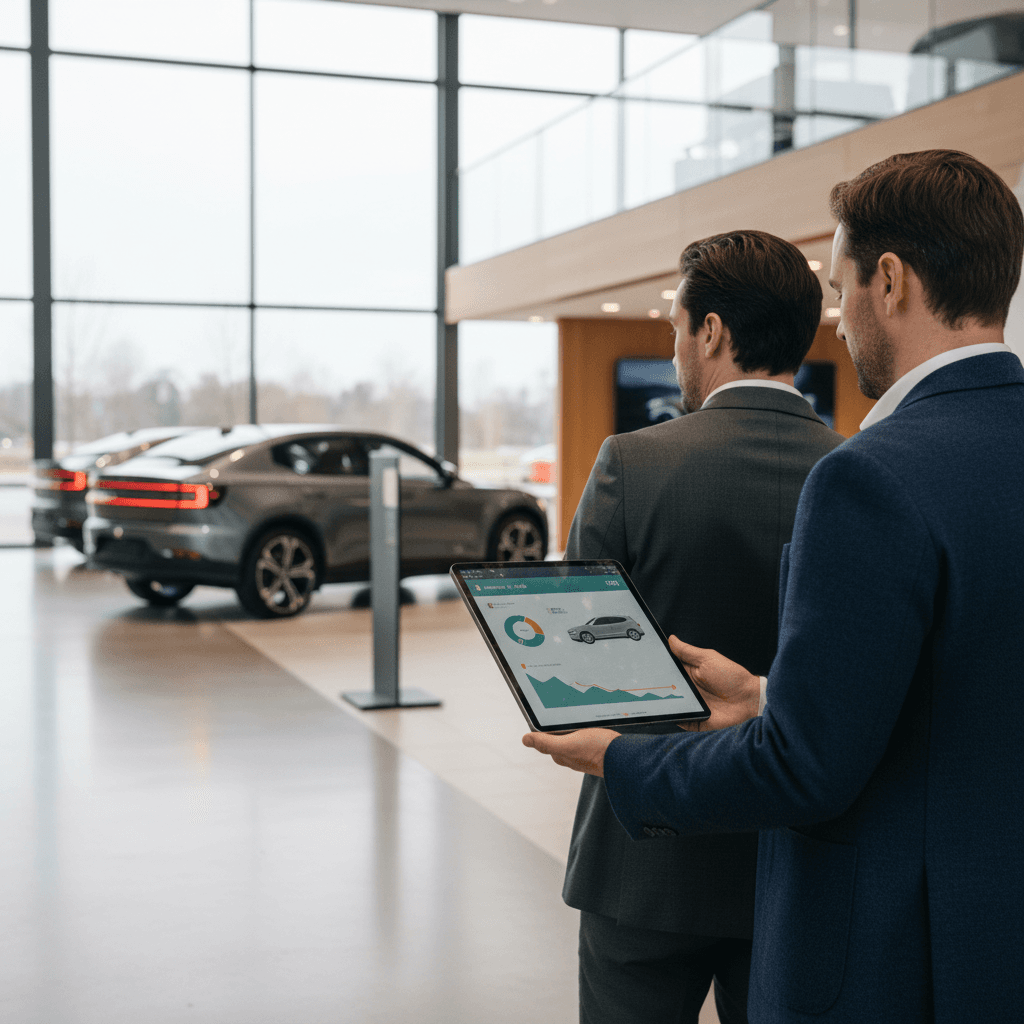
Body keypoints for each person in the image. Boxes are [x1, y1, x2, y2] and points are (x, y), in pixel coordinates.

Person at [525, 150, 1024, 1022]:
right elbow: (957, 694)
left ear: (893, 282)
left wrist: (622, 759)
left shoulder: (873, 477)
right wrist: (765, 695)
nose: (839, 322)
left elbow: (807, 768)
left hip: (886, 948)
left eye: (844, 288)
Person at [562, 229, 843, 1024]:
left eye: (677, 328)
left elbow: (580, 675)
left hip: (640, 862)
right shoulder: (856, 470)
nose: (675, 348)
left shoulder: (631, 463)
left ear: (711, 331)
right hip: (790, 859)